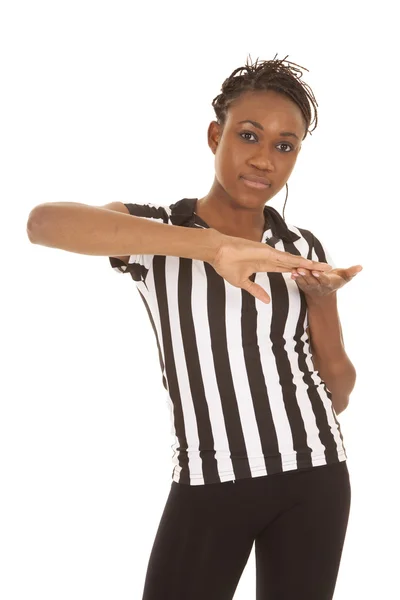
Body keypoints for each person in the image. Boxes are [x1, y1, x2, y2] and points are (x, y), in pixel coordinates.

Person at [27, 55, 362, 599]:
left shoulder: (301, 247)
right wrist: (212, 248)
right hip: (210, 481)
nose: (264, 159)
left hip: (315, 475)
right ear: (215, 135)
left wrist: (321, 303)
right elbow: (43, 224)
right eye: (249, 135)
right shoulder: (158, 230)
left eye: (285, 145)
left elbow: (339, 392)